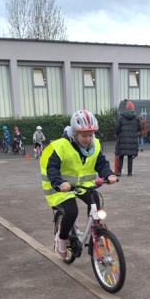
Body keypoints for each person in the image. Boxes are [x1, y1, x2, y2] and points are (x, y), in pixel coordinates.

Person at [40, 110, 117, 260]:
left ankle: (96, 229)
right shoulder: (61, 146)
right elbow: (52, 168)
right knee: (72, 211)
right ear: (74, 132)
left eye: (90, 134)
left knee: (95, 198)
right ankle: (61, 239)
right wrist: (60, 183)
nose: (88, 139)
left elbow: (101, 163)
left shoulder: (94, 144)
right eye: (84, 135)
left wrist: (108, 174)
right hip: (61, 187)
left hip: (82, 185)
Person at [115, 101, 142, 176]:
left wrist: (117, 134)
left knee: (121, 155)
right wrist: (136, 134)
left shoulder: (121, 117)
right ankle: (129, 172)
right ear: (133, 108)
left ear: (126, 109)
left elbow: (117, 127)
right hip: (132, 139)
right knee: (130, 156)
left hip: (122, 139)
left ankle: (119, 172)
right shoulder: (136, 118)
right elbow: (140, 128)